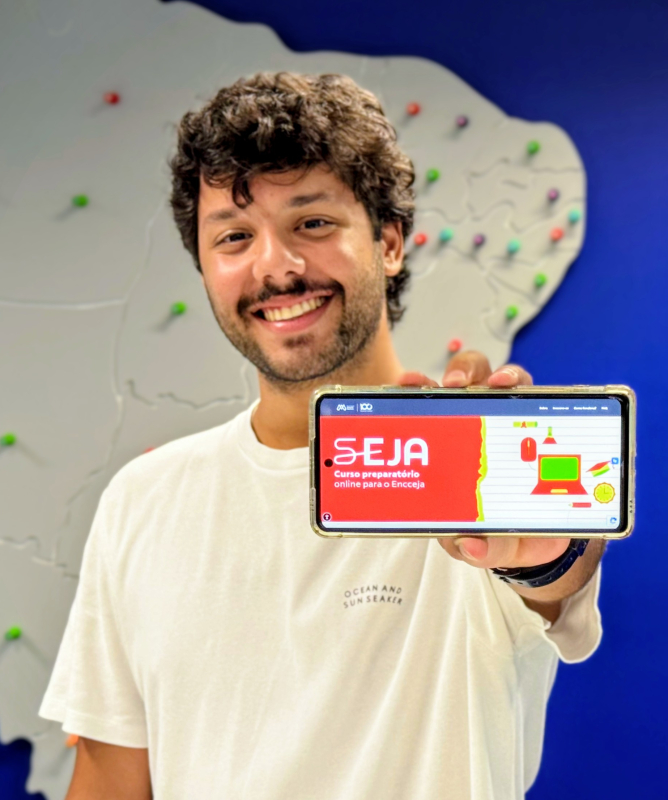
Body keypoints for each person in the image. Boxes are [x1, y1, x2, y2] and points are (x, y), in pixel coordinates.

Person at [40, 72, 604, 800]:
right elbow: (111, 781)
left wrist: (540, 552)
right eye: (234, 237)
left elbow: (553, 574)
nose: (274, 266)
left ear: (390, 242)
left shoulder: (473, 473)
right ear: (206, 269)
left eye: (312, 223)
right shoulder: (141, 502)